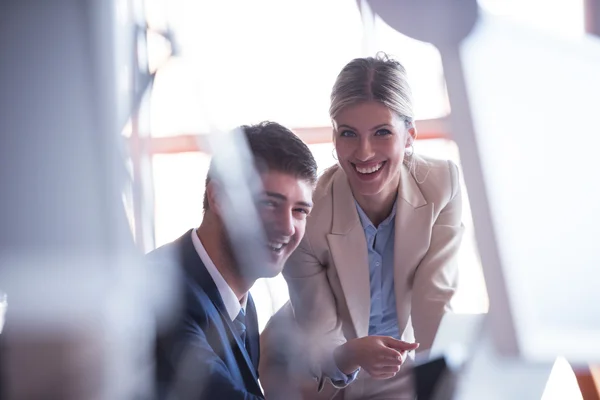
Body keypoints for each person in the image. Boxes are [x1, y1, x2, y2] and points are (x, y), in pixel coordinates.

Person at [260, 53, 464, 399]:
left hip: (395, 362)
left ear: (410, 135)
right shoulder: (308, 213)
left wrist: (443, 383)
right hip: (311, 368)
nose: (364, 152)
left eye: (382, 132)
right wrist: (353, 355)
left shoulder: (442, 184)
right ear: (334, 135)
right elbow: (322, 336)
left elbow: (435, 302)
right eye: (349, 134)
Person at [149, 121, 318, 399]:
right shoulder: (163, 292)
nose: (288, 227)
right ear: (218, 198)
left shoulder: (240, 300)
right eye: (269, 203)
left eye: (300, 210)